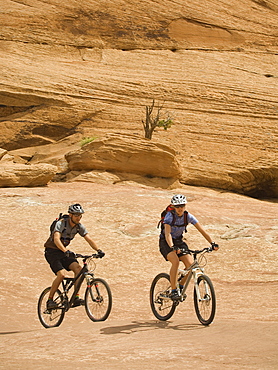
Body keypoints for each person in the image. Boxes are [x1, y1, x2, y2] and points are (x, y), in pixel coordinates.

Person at [44, 203, 105, 309]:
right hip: (52, 252)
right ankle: (50, 300)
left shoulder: (78, 226)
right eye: (76, 215)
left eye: (80, 215)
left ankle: (76, 297)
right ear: (70, 215)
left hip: (64, 252)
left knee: (79, 270)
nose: (78, 217)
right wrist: (65, 250)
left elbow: (88, 238)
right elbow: (56, 239)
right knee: (61, 274)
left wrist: (98, 250)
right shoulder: (61, 223)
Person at [159, 194, 219, 300]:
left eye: (182, 206)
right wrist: (172, 247)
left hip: (179, 242)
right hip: (166, 242)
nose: (180, 208)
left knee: (191, 265)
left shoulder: (188, 216)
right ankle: (173, 290)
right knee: (176, 262)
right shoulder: (169, 216)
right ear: (173, 207)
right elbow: (167, 234)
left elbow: (202, 230)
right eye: (177, 206)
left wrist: (212, 243)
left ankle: (180, 286)